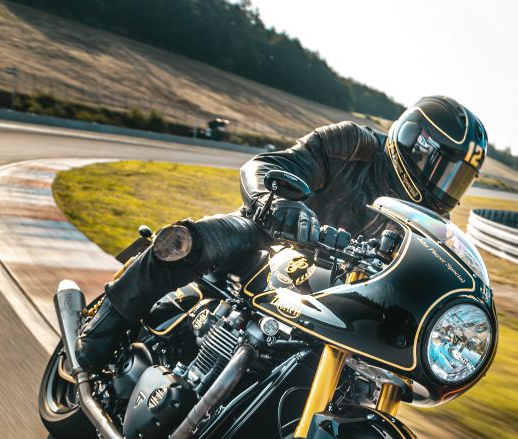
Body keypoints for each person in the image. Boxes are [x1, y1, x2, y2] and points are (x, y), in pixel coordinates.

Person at [75, 95, 489, 369]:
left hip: (333, 287)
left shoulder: (424, 222)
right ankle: (103, 327)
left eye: (457, 180)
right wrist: (280, 205)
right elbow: (267, 165)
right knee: (187, 243)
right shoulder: (354, 144)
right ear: (414, 143)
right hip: (270, 242)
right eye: (441, 170)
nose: (444, 188)